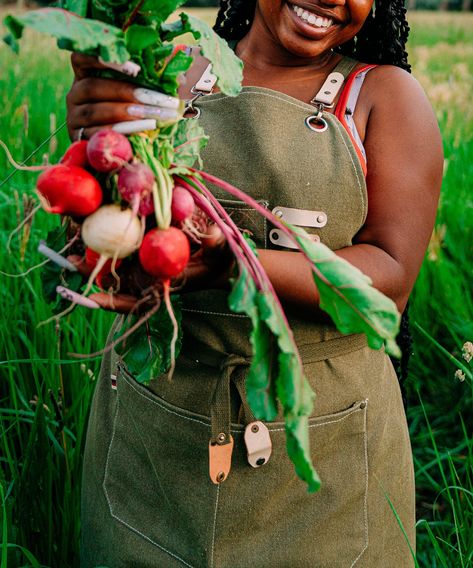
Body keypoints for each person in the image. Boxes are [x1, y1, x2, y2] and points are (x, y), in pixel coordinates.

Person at [66, 0, 443, 566]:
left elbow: (388, 282)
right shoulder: (173, 69)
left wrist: (238, 262)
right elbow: (110, 209)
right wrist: (95, 145)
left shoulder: (384, 97)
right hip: (155, 429)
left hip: (324, 446)